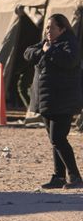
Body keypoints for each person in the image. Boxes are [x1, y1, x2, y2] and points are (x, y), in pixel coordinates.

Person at [23, 14, 83, 189]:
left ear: (62, 29)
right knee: (54, 140)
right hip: (47, 100)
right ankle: (59, 177)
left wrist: (50, 51)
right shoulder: (46, 43)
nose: (48, 31)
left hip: (62, 100)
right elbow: (27, 53)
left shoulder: (69, 43)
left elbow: (70, 61)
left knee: (58, 138)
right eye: (47, 27)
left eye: (52, 27)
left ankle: (75, 177)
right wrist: (43, 50)